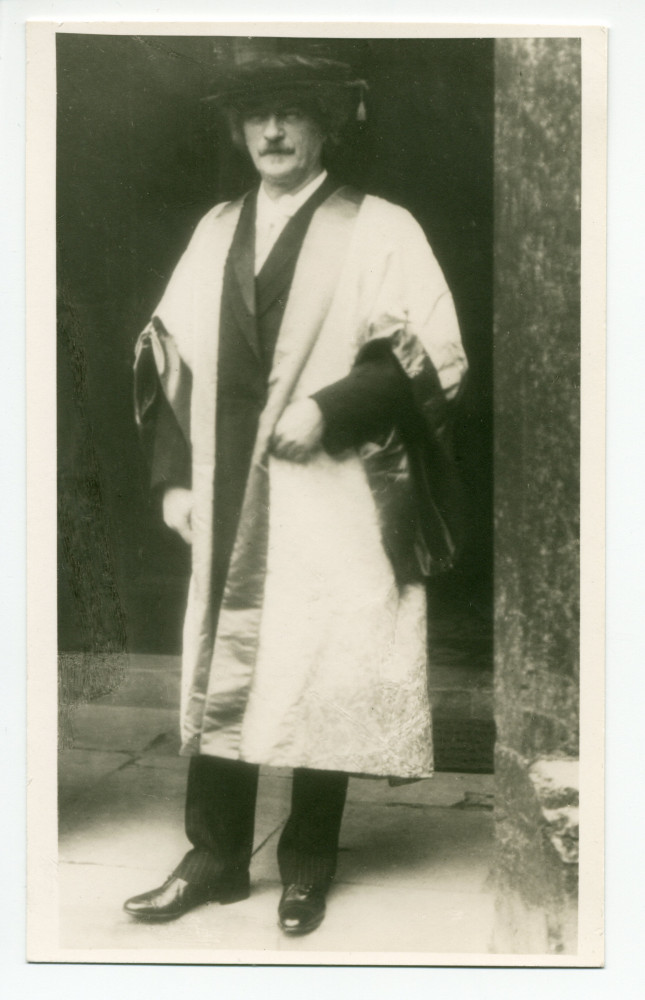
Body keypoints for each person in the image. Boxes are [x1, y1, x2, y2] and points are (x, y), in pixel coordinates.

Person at [125, 50, 468, 936]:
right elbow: (170, 358)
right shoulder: (215, 229)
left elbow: (431, 353)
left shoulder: (381, 228)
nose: (271, 132)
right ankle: (214, 858)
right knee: (222, 671)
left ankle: (307, 867)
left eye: (290, 114)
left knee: (325, 667)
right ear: (238, 129)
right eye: (255, 117)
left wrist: (331, 406)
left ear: (326, 124)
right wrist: (170, 482)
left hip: (332, 495)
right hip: (228, 487)